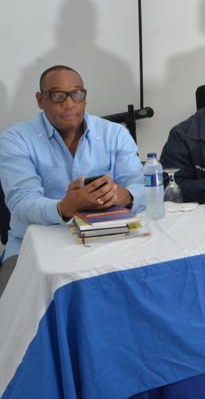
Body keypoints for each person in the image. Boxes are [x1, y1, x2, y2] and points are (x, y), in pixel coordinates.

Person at [0, 66, 145, 297]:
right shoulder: (15, 140)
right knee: (12, 310)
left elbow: (143, 187)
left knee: (142, 290)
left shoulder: (115, 134)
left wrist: (125, 195)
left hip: (107, 240)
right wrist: (63, 207)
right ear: (40, 100)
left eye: (77, 94)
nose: (69, 104)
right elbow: (21, 202)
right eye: (58, 96)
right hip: (33, 248)